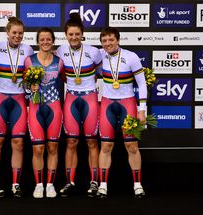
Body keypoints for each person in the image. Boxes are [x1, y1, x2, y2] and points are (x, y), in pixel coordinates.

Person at [97, 26, 147, 198]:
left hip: (128, 104)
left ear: (118, 40)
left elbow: (142, 84)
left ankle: (138, 185)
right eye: (104, 41)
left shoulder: (131, 56)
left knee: (131, 146)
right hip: (107, 104)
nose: (108, 43)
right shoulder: (100, 55)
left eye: (111, 40)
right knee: (105, 145)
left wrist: (142, 110)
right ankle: (102, 185)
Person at [56, 13, 102, 197]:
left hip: (90, 98)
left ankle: (94, 182)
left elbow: (101, 72)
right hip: (71, 99)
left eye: (77, 34)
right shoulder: (60, 51)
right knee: (71, 142)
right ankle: (69, 182)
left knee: (92, 141)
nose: (74, 37)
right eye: (70, 35)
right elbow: (58, 74)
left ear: (82, 34)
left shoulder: (93, 51)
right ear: (66, 35)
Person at [0, 17, 34, 198]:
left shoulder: (28, 49)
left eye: (20, 33)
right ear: (7, 33)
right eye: (14, 33)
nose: (17, 36)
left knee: (18, 142)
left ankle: (15, 184)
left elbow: (33, 73)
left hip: (19, 100)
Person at [24, 28, 64, 198]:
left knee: (52, 147)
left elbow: (68, 80)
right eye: (42, 39)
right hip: (36, 108)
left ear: (53, 41)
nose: (45, 42)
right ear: (38, 41)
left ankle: (50, 185)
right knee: (38, 149)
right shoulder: (29, 60)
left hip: (54, 108)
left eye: (48, 39)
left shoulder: (60, 61)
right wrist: (30, 86)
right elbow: (24, 84)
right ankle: (39, 185)